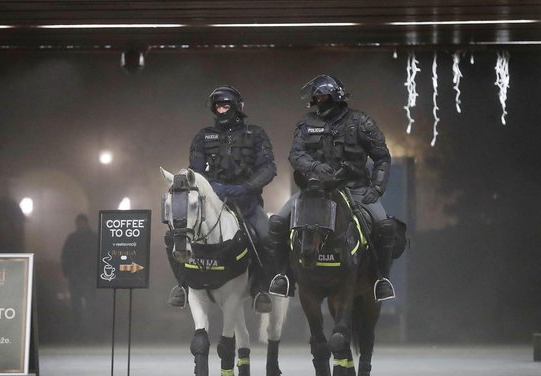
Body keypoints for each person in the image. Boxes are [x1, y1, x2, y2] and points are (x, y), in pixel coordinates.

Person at [268, 74, 396, 301]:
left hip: (355, 189)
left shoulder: (361, 122)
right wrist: (315, 167)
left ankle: (381, 280)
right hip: (315, 191)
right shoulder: (306, 123)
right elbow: (296, 155)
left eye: (323, 96)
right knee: (278, 222)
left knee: (384, 226)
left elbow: (382, 157)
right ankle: (283, 276)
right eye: (316, 97)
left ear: (336, 96)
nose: (319, 100)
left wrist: (376, 188)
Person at [166, 85, 278, 313]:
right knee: (173, 236)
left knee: (266, 235)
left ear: (237, 108)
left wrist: (246, 187)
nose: (221, 109)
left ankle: (261, 289)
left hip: (247, 201)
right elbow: (194, 172)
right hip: (212, 202)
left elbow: (268, 168)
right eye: (217, 106)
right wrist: (211, 188)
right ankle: (183, 286)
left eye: (226, 105)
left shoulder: (256, 134)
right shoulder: (203, 136)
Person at [61, 214, 98, 339]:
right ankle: (81, 330)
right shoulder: (91, 238)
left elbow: (65, 256)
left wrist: (68, 272)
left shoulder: (75, 238)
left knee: (90, 304)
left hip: (86, 276)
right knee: (78, 304)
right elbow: (65, 256)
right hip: (79, 276)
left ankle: (89, 330)